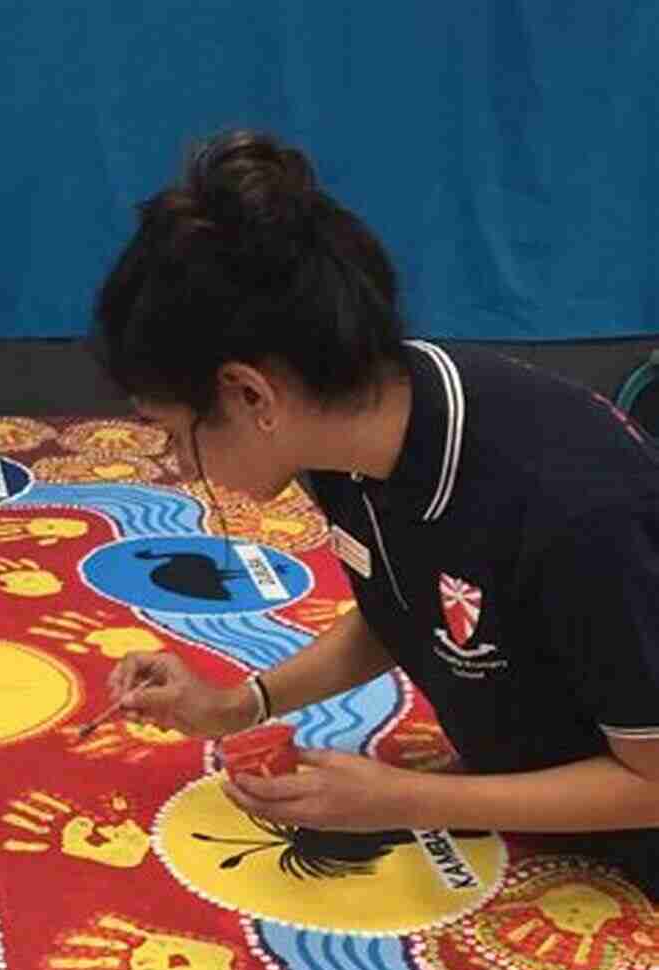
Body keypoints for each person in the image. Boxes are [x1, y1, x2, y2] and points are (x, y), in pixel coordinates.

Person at [94, 129, 659, 895]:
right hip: (535, 827)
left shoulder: (572, 510)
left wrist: (409, 799)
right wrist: (236, 704)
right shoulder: (354, 438)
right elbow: (412, 600)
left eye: (171, 434)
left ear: (253, 396)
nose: (179, 465)